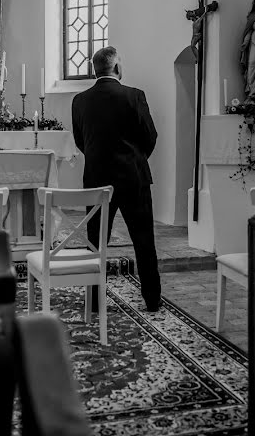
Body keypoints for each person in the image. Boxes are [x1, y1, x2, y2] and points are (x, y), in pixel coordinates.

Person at [71, 46, 161, 312]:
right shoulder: (134, 96)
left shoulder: (80, 100)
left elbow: (81, 140)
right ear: (118, 69)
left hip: (97, 180)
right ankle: (152, 299)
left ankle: (96, 301)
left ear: (93, 70)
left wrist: (100, 160)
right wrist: (135, 158)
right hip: (134, 177)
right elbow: (150, 136)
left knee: (96, 243)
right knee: (144, 241)